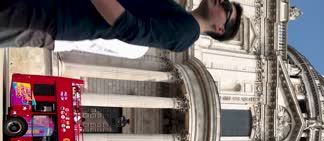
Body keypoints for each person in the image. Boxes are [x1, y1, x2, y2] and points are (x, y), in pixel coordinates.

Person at [0, 0, 243, 52]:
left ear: (219, 29)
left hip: (61, 19)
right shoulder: (182, 17)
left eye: (226, 9)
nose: (222, 2)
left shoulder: (187, 32)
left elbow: (130, 28)